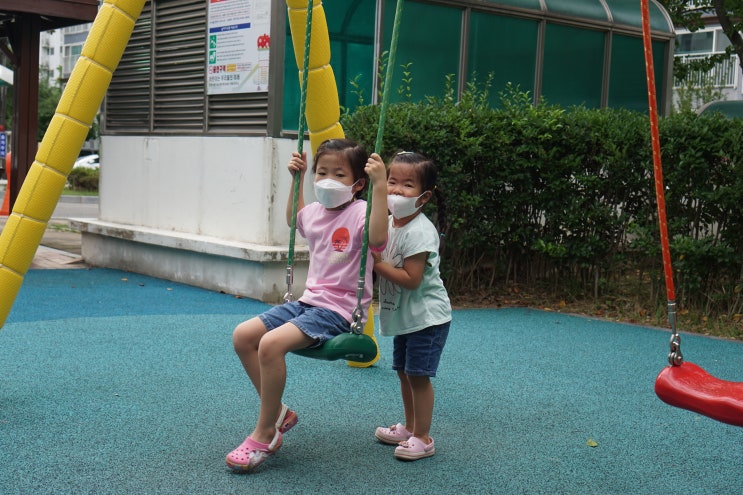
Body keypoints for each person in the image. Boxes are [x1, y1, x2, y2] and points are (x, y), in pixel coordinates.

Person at [226, 139, 388, 472]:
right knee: (243, 336)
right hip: (306, 302)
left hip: (337, 310)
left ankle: (265, 432)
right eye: (322, 172)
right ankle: (280, 412)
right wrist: (296, 181)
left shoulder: (360, 212)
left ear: (357, 184)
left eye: (338, 174)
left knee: (270, 345)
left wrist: (381, 186)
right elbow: (294, 220)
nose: (327, 179)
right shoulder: (314, 212)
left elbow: (376, 239)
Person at [372, 151, 452, 461]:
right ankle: (408, 427)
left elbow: (411, 278)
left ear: (424, 196)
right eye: (392, 181)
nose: (396, 190)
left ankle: (423, 437)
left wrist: (377, 265)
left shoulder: (419, 231)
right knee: (404, 373)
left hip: (427, 319)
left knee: (418, 376)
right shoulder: (388, 222)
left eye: (407, 185)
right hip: (407, 317)